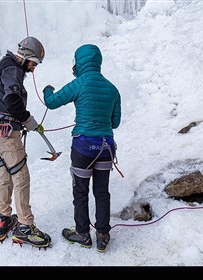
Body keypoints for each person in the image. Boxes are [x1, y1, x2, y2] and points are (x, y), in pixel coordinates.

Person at [43, 44, 121, 253]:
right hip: (106, 147)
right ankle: (103, 236)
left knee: (80, 191)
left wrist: (47, 89)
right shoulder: (112, 88)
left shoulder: (79, 83)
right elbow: (115, 122)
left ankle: (83, 233)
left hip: (84, 147)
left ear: (80, 62)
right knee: (102, 192)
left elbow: (51, 102)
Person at [0, 36, 51, 249]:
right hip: (6, 131)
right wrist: (28, 120)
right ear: (27, 57)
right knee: (21, 175)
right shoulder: (12, 68)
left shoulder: (7, 66)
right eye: (34, 63)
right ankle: (24, 226)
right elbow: (12, 100)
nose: (33, 69)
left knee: (6, 174)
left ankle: (4, 220)